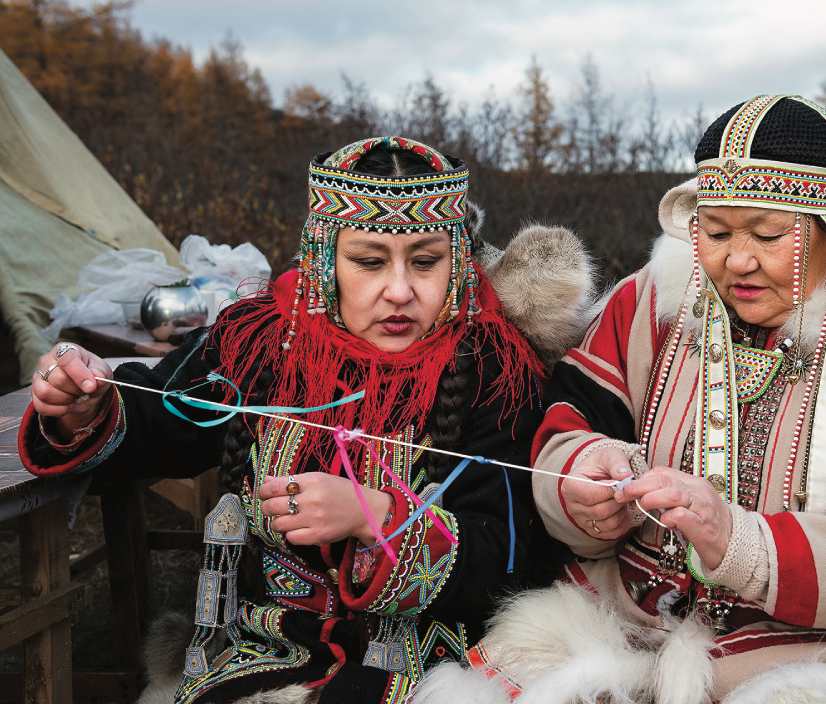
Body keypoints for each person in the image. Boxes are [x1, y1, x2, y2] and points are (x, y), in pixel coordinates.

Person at [415, 97, 826, 704]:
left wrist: (742, 544)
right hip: (627, 618)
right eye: (715, 232)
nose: (737, 261)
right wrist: (579, 487)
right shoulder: (652, 305)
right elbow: (566, 428)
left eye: (770, 236)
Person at [19, 137, 560, 704]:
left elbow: (512, 558)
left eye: (425, 262)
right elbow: (160, 417)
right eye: (369, 261)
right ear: (324, 258)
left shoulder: (498, 371)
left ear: (457, 262)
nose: (399, 291)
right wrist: (85, 406)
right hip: (266, 651)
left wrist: (375, 516)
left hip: (429, 667)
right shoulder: (261, 340)